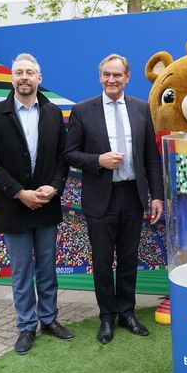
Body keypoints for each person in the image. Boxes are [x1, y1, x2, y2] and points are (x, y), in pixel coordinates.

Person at [64, 54, 164, 344]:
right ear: (100, 77)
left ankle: (127, 312)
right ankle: (106, 317)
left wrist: (156, 195)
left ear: (127, 77)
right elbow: (69, 153)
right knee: (103, 260)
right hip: (100, 198)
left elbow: (151, 158)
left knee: (130, 258)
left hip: (133, 195)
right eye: (107, 74)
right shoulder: (83, 111)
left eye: (117, 75)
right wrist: (98, 160)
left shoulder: (142, 109)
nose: (111, 80)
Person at [0, 53, 73, 355]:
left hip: (46, 203)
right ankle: (26, 326)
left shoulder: (53, 114)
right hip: (13, 204)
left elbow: (62, 158)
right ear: (12, 78)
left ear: (39, 79)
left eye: (30, 72)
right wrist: (20, 192)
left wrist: (54, 188)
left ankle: (49, 319)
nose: (24, 77)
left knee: (47, 269)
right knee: (20, 272)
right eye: (18, 72)